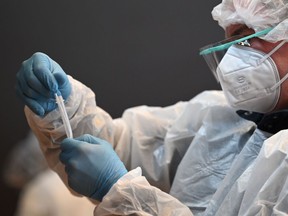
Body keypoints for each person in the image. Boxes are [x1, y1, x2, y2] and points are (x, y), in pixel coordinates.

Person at [15, 0, 288, 215]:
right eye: (228, 43)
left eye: (243, 38)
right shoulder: (223, 120)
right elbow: (123, 148)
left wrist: (122, 194)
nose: (231, 59)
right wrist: (63, 111)